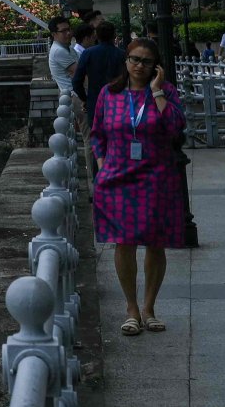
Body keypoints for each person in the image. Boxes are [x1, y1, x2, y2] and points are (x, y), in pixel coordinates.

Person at [90, 38, 186, 335]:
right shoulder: (110, 93)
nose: (139, 66)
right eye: (134, 59)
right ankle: (131, 308)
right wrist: (102, 166)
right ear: (126, 60)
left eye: (146, 61)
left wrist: (157, 91)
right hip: (118, 177)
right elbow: (97, 134)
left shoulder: (165, 92)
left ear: (156, 65)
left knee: (155, 242)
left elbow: (174, 127)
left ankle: (149, 308)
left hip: (156, 176)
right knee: (124, 242)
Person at [73, 22, 126, 125]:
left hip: (95, 102)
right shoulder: (122, 54)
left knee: (97, 136)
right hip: (118, 102)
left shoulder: (88, 53)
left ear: (96, 35)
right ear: (114, 35)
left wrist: (85, 99)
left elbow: (76, 81)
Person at [48, 20, 77, 95]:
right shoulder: (58, 51)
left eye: (69, 29)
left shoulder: (69, 48)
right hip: (73, 96)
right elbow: (79, 72)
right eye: (63, 31)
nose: (68, 33)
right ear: (54, 34)